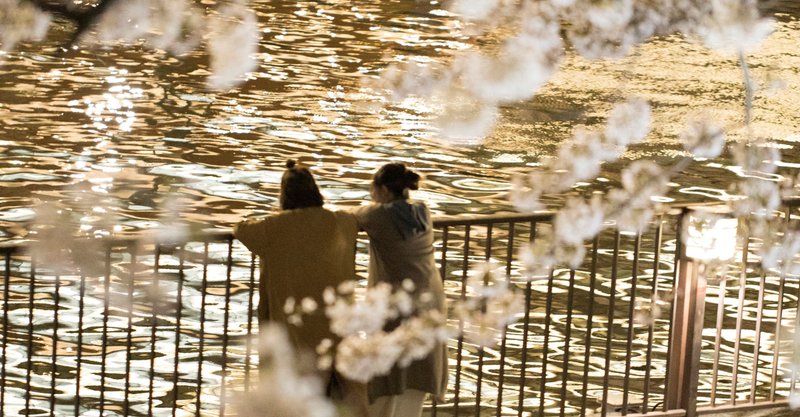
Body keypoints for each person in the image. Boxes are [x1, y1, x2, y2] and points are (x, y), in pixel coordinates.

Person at [234, 159, 366, 414]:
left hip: (294, 330)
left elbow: (242, 229)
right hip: (336, 327)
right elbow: (357, 219)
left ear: (284, 195)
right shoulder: (342, 222)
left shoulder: (274, 227)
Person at [354, 163, 448, 417]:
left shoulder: (376, 216)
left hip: (397, 308)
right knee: (414, 388)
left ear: (384, 190)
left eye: (373, 189)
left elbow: (350, 218)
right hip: (430, 304)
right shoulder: (422, 211)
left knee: (384, 384)